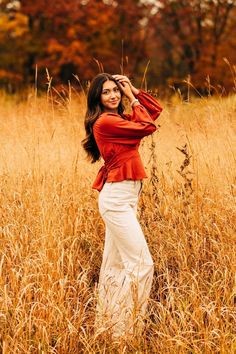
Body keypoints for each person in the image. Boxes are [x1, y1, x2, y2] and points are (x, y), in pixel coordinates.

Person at [82, 73, 163, 339]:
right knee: (142, 265)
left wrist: (134, 90)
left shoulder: (118, 120)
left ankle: (110, 329)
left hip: (125, 196)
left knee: (115, 266)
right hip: (116, 200)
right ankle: (131, 331)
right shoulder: (105, 122)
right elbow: (148, 127)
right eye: (106, 92)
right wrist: (130, 98)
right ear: (98, 97)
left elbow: (154, 112)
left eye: (116, 90)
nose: (113, 95)